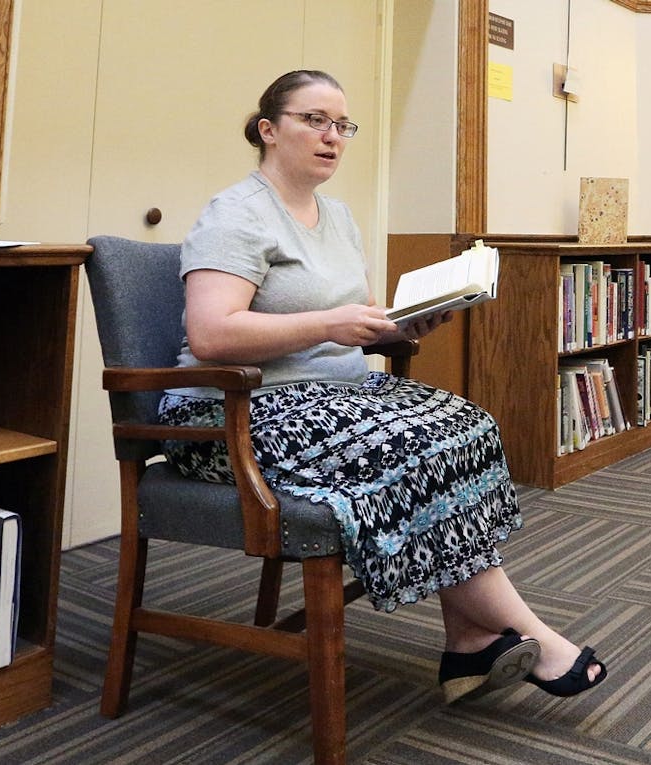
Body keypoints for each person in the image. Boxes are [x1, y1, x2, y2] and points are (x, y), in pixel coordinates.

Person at [159, 69, 606, 703]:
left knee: (463, 422)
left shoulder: (337, 216)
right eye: (314, 120)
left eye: (342, 125)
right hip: (229, 414)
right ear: (268, 130)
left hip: (333, 399)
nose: (332, 137)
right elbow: (211, 334)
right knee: (415, 441)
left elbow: (359, 322)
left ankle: (466, 641)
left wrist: (406, 324)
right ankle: (526, 631)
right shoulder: (236, 212)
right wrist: (329, 323)